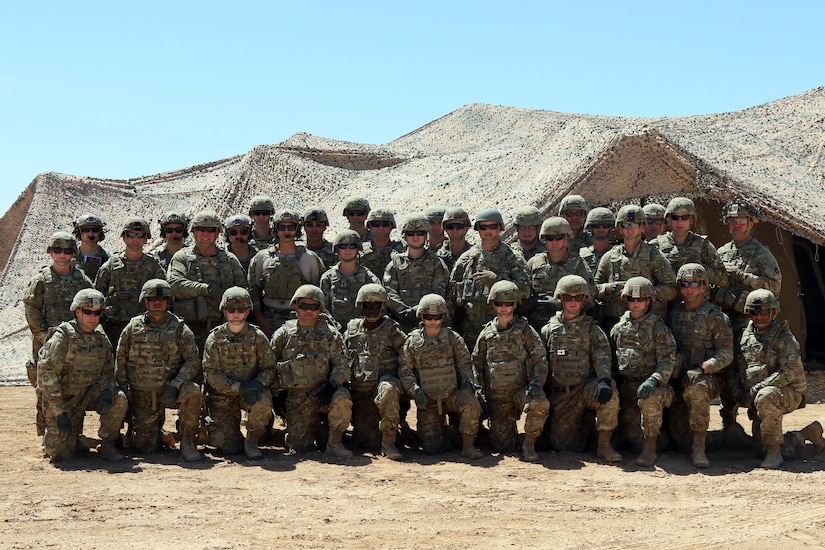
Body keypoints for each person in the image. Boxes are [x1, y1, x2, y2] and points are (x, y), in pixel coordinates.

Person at [116, 279, 203, 462]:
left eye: (163, 298)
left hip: (172, 389)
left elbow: (192, 361)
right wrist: (125, 392)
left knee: (193, 391)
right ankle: (157, 432)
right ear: (144, 301)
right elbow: (121, 359)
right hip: (143, 392)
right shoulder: (133, 327)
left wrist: (175, 384)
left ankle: (187, 441)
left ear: (169, 301)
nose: (158, 301)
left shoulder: (180, 328)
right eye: (152, 298)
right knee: (146, 448)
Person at [37, 289, 128, 462]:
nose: (93, 317)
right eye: (88, 311)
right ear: (77, 311)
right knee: (60, 455)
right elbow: (47, 375)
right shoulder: (63, 337)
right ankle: (70, 437)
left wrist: (107, 390)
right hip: (65, 399)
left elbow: (108, 370)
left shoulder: (100, 337)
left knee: (119, 399)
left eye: (97, 313)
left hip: (89, 394)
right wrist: (59, 412)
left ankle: (107, 443)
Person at [714, 200, 781, 431]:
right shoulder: (721, 252)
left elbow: (774, 287)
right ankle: (729, 422)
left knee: (752, 371)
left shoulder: (761, 253)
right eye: (731, 221)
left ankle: (759, 424)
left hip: (752, 323)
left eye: (740, 221)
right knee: (727, 371)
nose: (735, 225)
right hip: (725, 322)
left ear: (751, 224)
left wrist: (742, 277)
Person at [541, 275, 622, 462]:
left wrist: (603, 380)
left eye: (578, 298)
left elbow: (602, 357)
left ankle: (604, 445)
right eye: (568, 298)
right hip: (562, 393)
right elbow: (541, 362)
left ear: (584, 300)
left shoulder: (592, 329)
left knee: (611, 393)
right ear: (560, 299)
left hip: (585, 388)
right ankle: (585, 425)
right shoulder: (548, 330)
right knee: (566, 446)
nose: (573, 302)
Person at [24, 231, 94, 437]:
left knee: (74, 386)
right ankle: (46, 431)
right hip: (46, 342)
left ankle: (75, 432)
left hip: (74, 342)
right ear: (50, 252)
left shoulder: (81, 279)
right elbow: (31, 309)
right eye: (57, 250)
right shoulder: (41, 280)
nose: (62, 255)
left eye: (66, 250)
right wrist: (44, 336)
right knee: (44, 387)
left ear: (73, 253)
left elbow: (92, 302)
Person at [271, 285, 353, 458]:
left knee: (342, 398)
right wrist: (276, 394)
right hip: (296, 397)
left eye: (313, 307)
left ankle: (334, 443)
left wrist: (331, 386)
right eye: (304, 306)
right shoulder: (283, 335)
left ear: (320, 309)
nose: (308, 311)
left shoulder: (331, 335)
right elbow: (269, 366)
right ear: (295, 306)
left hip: (324, 393)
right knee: (301, 448)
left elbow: (342, 365)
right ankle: (315, 430)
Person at [398, 294, 483, 459]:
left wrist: (467, 384)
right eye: (428, 316)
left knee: (471, 404)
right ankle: (448, 432)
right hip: (427, 398)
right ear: (421, 316)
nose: (433, 320)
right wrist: (415, 391)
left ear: (443, 316)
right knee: (432, 449)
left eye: (437, 316)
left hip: (451, 394)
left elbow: (465, 364)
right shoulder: (412, 341)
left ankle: (468, 446)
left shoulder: (453, 339)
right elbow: (405, 370)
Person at [472, 281, 549, 462]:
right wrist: (479, 392)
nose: (504, 307)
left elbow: (540, 360)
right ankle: (514, 438)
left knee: (540, 404)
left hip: (521, 391)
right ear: (493, 304)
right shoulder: (486, 334)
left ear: (515, 304)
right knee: (504, 446)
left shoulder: (525, 331)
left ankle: (529, 445)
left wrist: (536, 384)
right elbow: (476, 364)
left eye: (508, 303)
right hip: (497, 398)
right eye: (500, 303)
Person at [667, 264, 734, 468]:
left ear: (704, 287)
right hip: (679, 376)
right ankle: (728, 438)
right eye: (684, 284)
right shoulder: (674, 313)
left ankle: (699, 447)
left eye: (694, 284)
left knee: (697, 391)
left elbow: (726, 353)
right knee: (678, 440)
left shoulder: (715, 317)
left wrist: (705, 368)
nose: (689, 288)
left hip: (707, 378)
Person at [731, 289, 806, 469]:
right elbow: (733, 370)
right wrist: (738, 393)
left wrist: (759, 388)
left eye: (763, 312)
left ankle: (775, 452)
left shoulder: (784, 338)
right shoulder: (743, 337)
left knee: (766, 396)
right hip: (756, 396)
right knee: (760, 447)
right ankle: (804, 434)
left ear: (773, 312)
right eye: (753, 312)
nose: (758, 317)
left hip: (786, 392)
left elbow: (789, 371)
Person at [610, 276, 677, 466]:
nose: (636, 303)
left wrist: (654, 380)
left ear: (648, 301)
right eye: (632, 299)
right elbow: (612, 359)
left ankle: (650, 448)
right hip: (628, 386)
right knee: (631, 433)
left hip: (655, 387)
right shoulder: (619, 328)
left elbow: (667, 361)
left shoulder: (659, 329)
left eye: (641, 299)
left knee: (650, 400)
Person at [203, 287, 276, 460]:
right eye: (231, 309)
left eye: (241, 309)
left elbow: (269, 367)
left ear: (248, 311)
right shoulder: (214, 338)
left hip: (251, 392)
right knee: (227, 447)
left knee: (263, 400)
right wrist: (239, 387)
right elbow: (211, 373)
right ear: (224, 311)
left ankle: (252, 441)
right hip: (222, 396)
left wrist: (257, 384)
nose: (236, 313)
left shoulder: (258, 337)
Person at [167, 210, 248, 354]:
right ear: (193, 232)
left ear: (218, 233)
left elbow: (244, 291)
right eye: (201, 229)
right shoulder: (182, 258)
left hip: (224, 330)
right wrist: (207, 289)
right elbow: (175, 284)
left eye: (210, 230)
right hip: (188, 330)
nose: (205, 234)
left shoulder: (229, 260)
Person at [343, 284, 407, 460]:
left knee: (388, 389)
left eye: (376, 306)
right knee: (366, 441)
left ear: (383, 306)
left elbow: (406, 355)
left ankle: (389, 443)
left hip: (383, 386)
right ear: (361, 306)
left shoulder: (392, 329)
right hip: (360, 389)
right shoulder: (352, 328)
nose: (371, 310)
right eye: (367, 306)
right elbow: (341, 355)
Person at [450, 208, 530, 346]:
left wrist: (498, 281)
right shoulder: (467, 258)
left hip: (504, 329)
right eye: (483, 226)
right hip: (470, 331)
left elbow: (526, 290)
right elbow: (451, 294)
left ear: (500, 228)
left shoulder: (512, 257)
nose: (488, 230)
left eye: (492, 226)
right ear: (478, 229)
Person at [594, 204, 677, 330]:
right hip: (615, 324)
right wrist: (609, 288)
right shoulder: (609, 257)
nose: (630, 229)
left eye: (634, 224)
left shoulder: (653, 255)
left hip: (648, 325)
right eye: (626, 225)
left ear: (642, 227)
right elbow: (594, 288)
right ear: (620, 229)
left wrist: (646, 292)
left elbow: (671, 289)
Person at [248, 209, 324, 337]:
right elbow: (253, 291)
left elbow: (319, 292)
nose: (286, 231)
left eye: (291, 227)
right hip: (269, 319)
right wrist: (261, 320)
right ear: (276, 229)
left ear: (297, 229)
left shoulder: (309, 258)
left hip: (300, 320)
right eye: (282, 227)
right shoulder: (262, 258)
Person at [95, 217, 166, 348]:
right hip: (114, 329)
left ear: (146, 239)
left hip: (146, 329)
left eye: (140, 235)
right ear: (124, 237)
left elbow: (165, 298)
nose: (135, 239)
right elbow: (96, 298)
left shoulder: (154, 267)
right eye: (131, 234)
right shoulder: (110, 267)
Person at [524, 217, 594, 331]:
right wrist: (530, 303)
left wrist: (559, 304)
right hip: (536, 324)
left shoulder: (577, 264)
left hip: (567, 326)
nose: (554, 242)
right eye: (550, 238)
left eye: (559, 238)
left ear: (567, 238)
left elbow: (590, 298)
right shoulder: (534, 263)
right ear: (544, 240)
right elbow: (523, 292)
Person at [384, 214, 450, 333]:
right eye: (411, 233)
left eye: (420, 233)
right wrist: (404, 312)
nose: (415, 237)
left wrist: (420, 311)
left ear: (426, 235)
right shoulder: (395, 264)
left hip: (430, 321)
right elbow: (389, 292)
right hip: (401, 323)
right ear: (404, 236)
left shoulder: (436, 263)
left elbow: (439, 292)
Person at [652, 197, 728, 290]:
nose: (680, 222)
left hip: (697, 301)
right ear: (668, 219)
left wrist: (698, 268)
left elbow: (722, 278)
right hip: (668, 301)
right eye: (675, 217)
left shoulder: (703, 245)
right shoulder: (656, 245)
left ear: (691, 220)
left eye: (685, 218)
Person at [319, 229, 382, 329]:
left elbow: (378, 311)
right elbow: (323, 310)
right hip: (335, 332)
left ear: (358, 249)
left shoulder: (369, 279)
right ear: (337, 249)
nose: (347, 250)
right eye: (343, 246)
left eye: (352, 246)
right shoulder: (328, 278)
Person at [360, 208, 405, 279]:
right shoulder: (360, 251)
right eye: (376, 224)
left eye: (385, 224)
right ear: (370, 226)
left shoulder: (402, 250)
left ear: (391, 226)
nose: (380, 228)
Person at [73, 213, 110, 281]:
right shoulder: (69, 257)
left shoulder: (109, 259)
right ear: (79, 232)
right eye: (86, 230)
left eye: (95, 230)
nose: (91, 234)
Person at [578, 207, 616, 273]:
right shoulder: (580, 256)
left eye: (605, 225)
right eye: (596, 226)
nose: (601, 229)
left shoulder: (617, 255)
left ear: (611, 227)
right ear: (589, 228)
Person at [436, 207, 473, 274]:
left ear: (466, 228)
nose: (455, 230)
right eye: (450, 226)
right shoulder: (437, 256)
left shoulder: (474, 254)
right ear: (445, 229)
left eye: (459, 226)